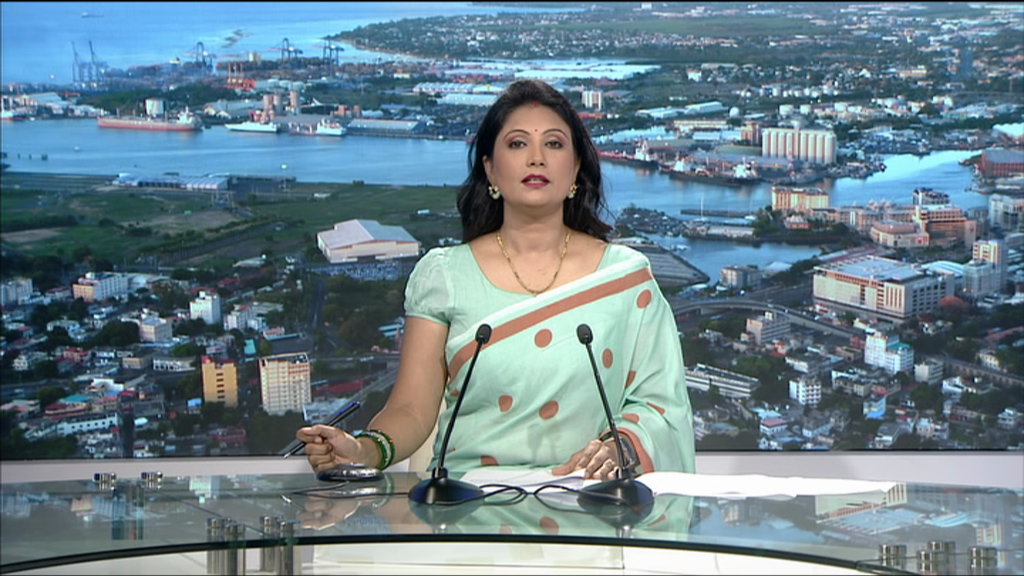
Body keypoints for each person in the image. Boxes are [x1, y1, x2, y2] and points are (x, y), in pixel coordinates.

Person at [296, 78, 695, 481]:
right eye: (518, 144)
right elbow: (412, 410)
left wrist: (620, 446)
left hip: (589, 500)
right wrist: (364, 450)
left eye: (554, 144)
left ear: (575, 168)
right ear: (490, 168)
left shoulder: (626, 279)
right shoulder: (445, 275)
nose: (536, 158)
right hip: (467, 503)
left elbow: (659, 405)